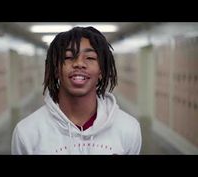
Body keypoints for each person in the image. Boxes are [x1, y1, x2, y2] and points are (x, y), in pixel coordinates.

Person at [11, 26, 142, 155]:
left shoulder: (128, 128)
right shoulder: (27, 132)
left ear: (101, 70)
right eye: (68, 57)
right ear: (56, 69)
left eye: (90, 58)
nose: (79, 63)